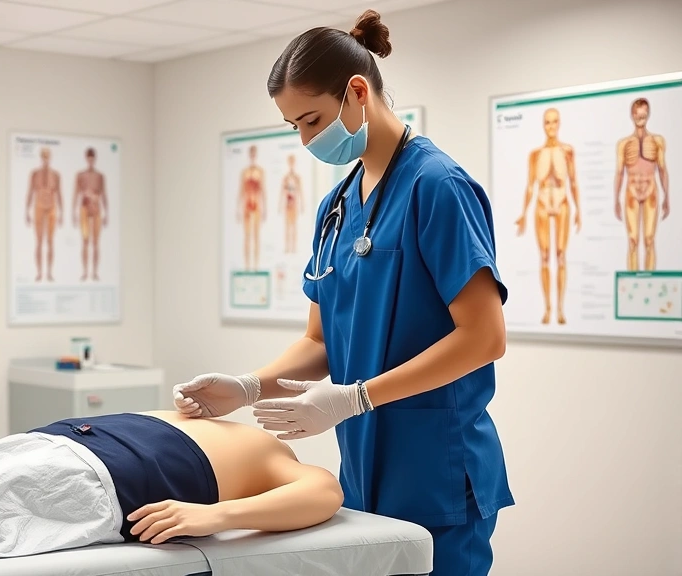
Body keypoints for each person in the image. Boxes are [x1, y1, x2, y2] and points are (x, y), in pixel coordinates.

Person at [173, 10, 513, 576]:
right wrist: (249, 386)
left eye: (312, 119)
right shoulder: (336, 208)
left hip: (439, 472)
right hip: (362, 471)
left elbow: (484, 338)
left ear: (357, 92)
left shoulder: (438, 187)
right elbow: (321, 341)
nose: (306, 141)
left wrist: (355, 398)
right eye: (295, 127)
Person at [0, 410, 343, 566]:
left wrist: (210, 403)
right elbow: (326, 492)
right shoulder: (274, 464)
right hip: (138, 466)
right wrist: (211, 518)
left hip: (101, 439)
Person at [515, 108, 580, 325]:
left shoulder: (568, 151)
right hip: (542, 204)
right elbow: (530, 186)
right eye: (547, 123)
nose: (551, 127)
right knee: (544, 256)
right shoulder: (535, 155)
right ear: (544, 125)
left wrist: (579, 210)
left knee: (560, 256)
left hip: (562, 203)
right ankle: (548, 308)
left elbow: (573, 182)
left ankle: (560, 308)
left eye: (554, 122)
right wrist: (523, 213)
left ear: (559, 124)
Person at [614, 97, 670, 271]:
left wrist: (667, 197)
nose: (641, 117)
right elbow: (619, 172)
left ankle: (649, 283)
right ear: (632, 115)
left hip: (651, 190)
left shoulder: (657, 141)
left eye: (644, 114)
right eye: (638, 114)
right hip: (631, 191)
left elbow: (662, 169)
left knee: (649, 240)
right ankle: (632, 282)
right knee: (632, 240)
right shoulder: (623, 144)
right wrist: (615, 199)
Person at [25, 147, 62, 282]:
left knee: (50, 241)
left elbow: (59, 194)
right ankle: (40, 272)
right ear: (41, 158)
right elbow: (30, 192)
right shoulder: (35, 174)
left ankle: (50, 272)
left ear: (50, 158)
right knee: (39, 241)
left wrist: (62, 212)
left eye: (48, 156)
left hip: (52, 207)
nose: (46, 159)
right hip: (39, 207)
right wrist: (27, 211)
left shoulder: (56, 175)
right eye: (44, 156)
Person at [73, 147, 108, 281]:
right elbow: (76, 193)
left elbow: (104, 194)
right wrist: (73, 212)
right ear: (86, 159)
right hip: (84, 208)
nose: (90, 160)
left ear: (95, 159)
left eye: (92, 158)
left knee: (96, 242)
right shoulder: (80, 175)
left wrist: (107, 213)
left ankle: (95, 272)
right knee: (85, 241)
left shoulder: (100, 176)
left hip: (97, 209)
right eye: (89, 158)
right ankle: (85, 272)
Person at [237, 145, 266, 270]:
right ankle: (247, 265)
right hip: (247, 206)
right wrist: (238, 208)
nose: (253, 156)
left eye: (254, 153)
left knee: (256, 236)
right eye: (251, 153)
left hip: (257, 205)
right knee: (247, 236)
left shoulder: (260, 171)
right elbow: (241, 191)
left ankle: (255, 265)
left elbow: (263, 191)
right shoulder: (244, 172)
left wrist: (265, 208)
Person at [279, 154, 304, 254]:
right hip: (287, 204)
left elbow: (300, 191)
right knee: (287, 226)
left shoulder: (297, 178)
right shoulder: (286, 178)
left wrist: (302, 204)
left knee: (293, 225)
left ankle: (293, 247)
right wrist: (280, 204)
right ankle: (287, 247)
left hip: (294, 204)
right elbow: (282, 191)